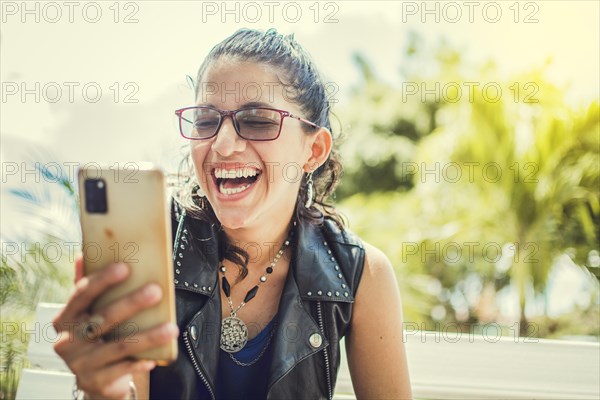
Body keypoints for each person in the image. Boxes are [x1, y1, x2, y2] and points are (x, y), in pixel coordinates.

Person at [53, 28, 412, 400]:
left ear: (314, 150)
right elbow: (125, 388)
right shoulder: (144, 244)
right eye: (206, 121)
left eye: (257, 120)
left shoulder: (360, 273)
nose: (223, 144)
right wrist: (105, 391)